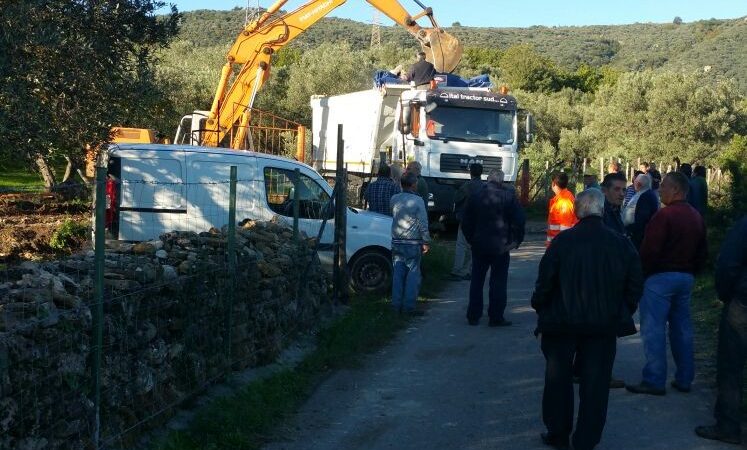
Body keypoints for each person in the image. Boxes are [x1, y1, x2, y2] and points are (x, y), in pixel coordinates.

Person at [532, 189, 643, 450]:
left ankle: (558, 434)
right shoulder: (621, 243)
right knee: (596, 385)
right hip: (603, 324)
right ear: (602, 210)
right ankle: (586, 440)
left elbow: (545, 281)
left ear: (577, 211)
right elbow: (635, 282)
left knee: (558, 380)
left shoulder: (563, 242)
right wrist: (622, 309)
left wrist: (540, 305)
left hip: (561, 322)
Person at [626, 172, 708, 396]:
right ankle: (684, 377)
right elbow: (703, 250)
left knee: (653, 329)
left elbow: (649, 249)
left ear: (676, 190)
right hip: (686, 277)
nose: (659, 190)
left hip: (660, 278)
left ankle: (654, 378)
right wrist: (693, 272)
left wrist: (642, 274)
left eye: (663, 186)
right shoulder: (695, 216)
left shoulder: (664, 216)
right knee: (682, 329)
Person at [695, 216, 747, 445]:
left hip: (743, 302)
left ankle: (728, 425)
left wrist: (727, 294)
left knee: (731, 365)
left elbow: (728, 262)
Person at [462, 169, 525, 326]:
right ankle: (496, 316)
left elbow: (465, 221)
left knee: (477, 280)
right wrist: (516, 241)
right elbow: (520, 220)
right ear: (502, 181)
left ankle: (473, 315)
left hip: (479, 245)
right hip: (501, 247)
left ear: (488, 179)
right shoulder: (509, 197)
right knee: (498, 282)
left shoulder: (475, 196)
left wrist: (471, 239)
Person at [390, 172, 431, 315]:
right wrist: (426, 241)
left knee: (397, 274)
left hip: (396, 241)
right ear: (413, 185)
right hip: (413, 242)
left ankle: (395, 305)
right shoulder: (418, 201)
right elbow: (423, 223)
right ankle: (408, 307)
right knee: (413, 274)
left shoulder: (394, 199)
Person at [450, 163, 484, 281]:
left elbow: (457, 199)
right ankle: (470, 270)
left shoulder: (466, 186)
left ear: (470, 173)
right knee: (473, 246)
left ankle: (457, 270)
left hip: (466, 220)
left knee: (461, 245)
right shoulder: (484, 187)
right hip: (479, 221)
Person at [622, 173, 658, 250]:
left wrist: (630, 231)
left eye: (634, 182)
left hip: (637, 237)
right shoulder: (645, 194)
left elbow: (642, 219)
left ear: (638, 184)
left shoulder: (645, 196)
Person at [546, 172, 576, 247]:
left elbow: (565, 228)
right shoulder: (562, 199)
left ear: (553, 184)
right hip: (556, 245)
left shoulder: (564, 201)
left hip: (560, 246)